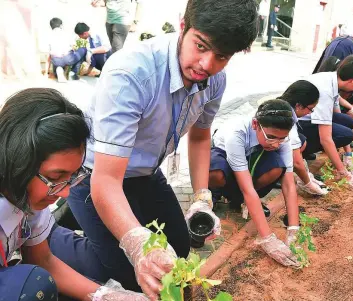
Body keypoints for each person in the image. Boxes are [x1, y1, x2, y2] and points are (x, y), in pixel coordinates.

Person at [49, 1, 259, 300]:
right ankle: (48, 235)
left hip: (144, 172)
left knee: (179, 245)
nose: (206, 65)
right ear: (183, 25)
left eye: (221, 57)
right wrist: (135, 243)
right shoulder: (131, 73)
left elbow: (199, 138)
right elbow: (106, 181)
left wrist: (201, 199)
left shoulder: (214, 80)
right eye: (201, 46)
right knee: (123, 269)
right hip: (96, 175)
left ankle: (86, 224)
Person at [0, 88, 148, 301]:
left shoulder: (27, 195)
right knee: (34, 286)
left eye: (71, 177)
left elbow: (43, 260)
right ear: (18, 160)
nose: (66, 192)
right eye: (56, 176)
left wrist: (104, 296)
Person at [209, 99, 300, 267]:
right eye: (271, 137)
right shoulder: (236, 134)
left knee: (278, 168)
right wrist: (267, 238)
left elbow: (288, 184)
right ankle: (215, 194)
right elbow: (247, 188)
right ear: (255, 124)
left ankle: (241, 202)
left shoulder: (282, 139)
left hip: (256, 154)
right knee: (216, 173)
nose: (276, 143)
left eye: (281, 139)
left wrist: (293, 228)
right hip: (225, 154)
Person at [300, 55, 353, 188]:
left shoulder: (331, 78)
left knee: (344, 121)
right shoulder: (325, 91)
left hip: (305, 118)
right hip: (296, 126)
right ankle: (301, 154)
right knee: (345, 135)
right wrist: (343, 172)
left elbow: (339, 119)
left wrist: (348, 154)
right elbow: (326, 138)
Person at [277, 81, 329, 196]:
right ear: (299, 105)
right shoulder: (287, 122)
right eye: (310, 109)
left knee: (302, 141)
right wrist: (308, 183)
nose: (309, 113)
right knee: (278, 166)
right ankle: (277, 177)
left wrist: (306, 173)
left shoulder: (281, 104)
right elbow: (296, 162)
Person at [48, 18, 86, 82]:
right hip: (68, 58)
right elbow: (73, 47)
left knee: (56, 61)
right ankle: (73, 73)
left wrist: (47, 71)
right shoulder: (66, 33)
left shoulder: (48, 35)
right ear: (60, 25)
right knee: (83, 49)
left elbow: (48, 55)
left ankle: (59, 69)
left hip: (56, 61)